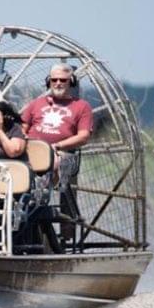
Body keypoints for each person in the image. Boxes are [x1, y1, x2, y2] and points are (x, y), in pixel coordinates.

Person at [21, 63, 93, 241]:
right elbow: (22, 128)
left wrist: (58, 146)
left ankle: (40, 204)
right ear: (48, 82)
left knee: (52, 164)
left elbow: (83, 136)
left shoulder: (81, 106)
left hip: (62, 153)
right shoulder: (36, 104)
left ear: (71, 82)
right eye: (54, 80)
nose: (58, 83)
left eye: (63, 80)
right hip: (31, 151)